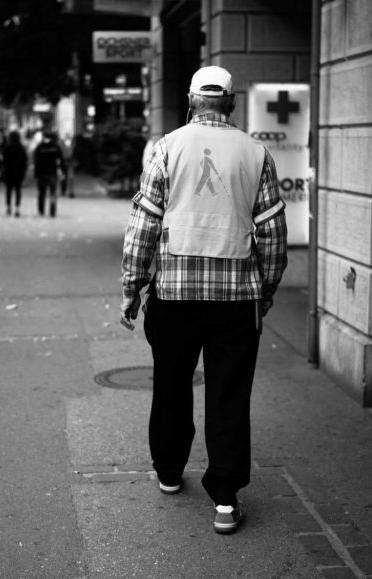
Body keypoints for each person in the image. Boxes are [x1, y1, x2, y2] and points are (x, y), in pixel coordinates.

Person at [119, 66, 288, 535]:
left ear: (192, 101)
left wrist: (133, 287)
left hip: (174, 297)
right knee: (229, 394)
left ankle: (170, 472)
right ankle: (226, 499)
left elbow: (144, 222)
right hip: (236, 302)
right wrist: (266, 290)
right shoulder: (256, 153)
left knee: (171, 385)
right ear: (230, 103)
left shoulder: (167, 148)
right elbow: (273, 232)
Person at [32, 131, 67, 217]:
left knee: (41, 193)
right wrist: (63, 171)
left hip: (42, 173)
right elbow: (61, 160)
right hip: (52, 173)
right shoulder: (56, 147)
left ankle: (41, 210)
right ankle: (52, 210)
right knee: (53, 193)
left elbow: (36, 161)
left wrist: (36, 173)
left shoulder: (40, 147)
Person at [1, 131, 28, 217]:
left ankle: (8, 207)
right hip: (19, 172)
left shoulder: (7, 148)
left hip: (9, 172)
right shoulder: (21, 148)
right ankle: (17, 208)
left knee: (8, 191)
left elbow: (4, 161)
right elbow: (24, 161)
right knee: (18, 191)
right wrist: (24, 172)